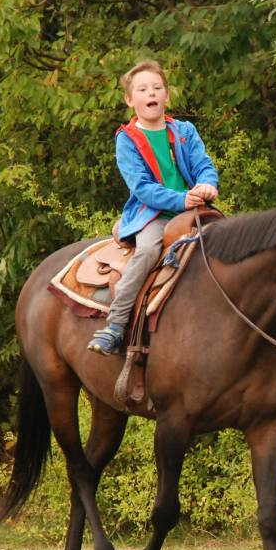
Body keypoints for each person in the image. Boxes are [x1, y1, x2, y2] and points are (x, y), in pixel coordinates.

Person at [88, 60, 220, 354]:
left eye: (157, 88)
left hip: (195, 211)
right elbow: (142, 188)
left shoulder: (184, 130)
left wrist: (208, 184)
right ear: (129, 99)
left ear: (166, 95)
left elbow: (203, 165)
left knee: (236, 244)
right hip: (155, 215)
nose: (151, 93)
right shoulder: (127, 139)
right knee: (148, 250)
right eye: (143, 89)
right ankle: (116, 324)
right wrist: (181, 199)